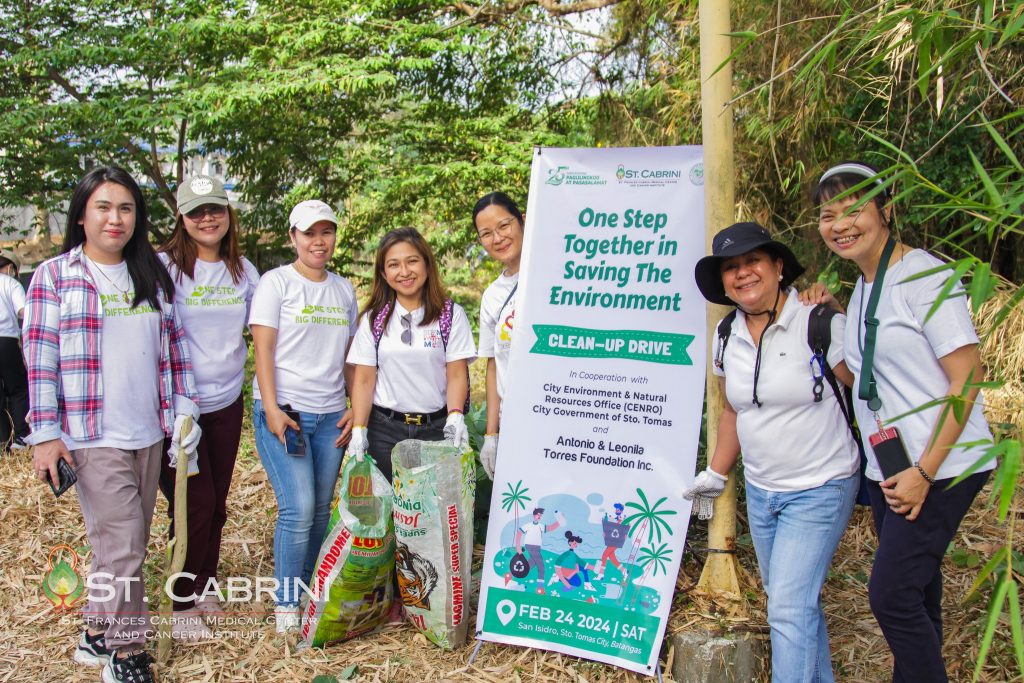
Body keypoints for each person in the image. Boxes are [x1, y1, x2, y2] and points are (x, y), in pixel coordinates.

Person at [813, 161, 996, 682]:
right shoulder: (869, 283)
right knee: (917, 592)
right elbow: (869, 370)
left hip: (940, 462)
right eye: (828, 215)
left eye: (855, 210)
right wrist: (832, 313)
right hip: (890, 462)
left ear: (886, 210)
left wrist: (926, 472)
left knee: (891, 595)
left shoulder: (924, 275)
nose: (841, 224)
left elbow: (968, 379)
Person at [24, 166, 200, 683]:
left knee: (119, 544)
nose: (114, 218)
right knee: (124, 545)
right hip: (90, 434)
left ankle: (96, 632)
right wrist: (45, 434)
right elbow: (41, 362)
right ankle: (125, 654)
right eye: (103, 207)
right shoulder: (54, 277)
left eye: (125, 208)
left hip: (147, 431)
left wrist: (182, 409)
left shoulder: (150, 276)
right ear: (81, 215)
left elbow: (173, 350)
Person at [684, 222, 860, 683]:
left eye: (752, 261)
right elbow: (732, 411)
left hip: (822, 484)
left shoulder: (817, 321)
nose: (742, 274)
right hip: (763, 494)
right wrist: (716, 473)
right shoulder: (725, 334)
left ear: (778, 266)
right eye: (731, 267)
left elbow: (866, 392)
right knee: (795, 604)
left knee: (786, 605)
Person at [157, 174, 260, 639]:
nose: (207, 218)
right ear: (181, 217)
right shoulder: (164, 268)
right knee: (192, 502)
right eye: (197, 211)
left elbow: (266, 331)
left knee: (216, 501)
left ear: (228, 213)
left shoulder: (243, 270)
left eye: (215, 208)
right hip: (177, 408)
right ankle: (180, 599)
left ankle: (205, 583)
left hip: (226, 401)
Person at [248, 199, 357, 633]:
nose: (319, 241)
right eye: (309, 232)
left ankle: (313, 587)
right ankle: (286, 604)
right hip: (287, 412)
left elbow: (350, 355)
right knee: (298, 508)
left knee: (320, 510)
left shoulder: (344, 289)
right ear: (293, 237)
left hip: (332, 414)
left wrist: (353, 406)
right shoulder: (276, 284)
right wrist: (271, 409)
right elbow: (263, 351)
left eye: (326, 232)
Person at [346, 227, 476, 481]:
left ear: (427, 265)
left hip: (436, 430)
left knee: (432, 513)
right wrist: (359, 429)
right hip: (384, 431)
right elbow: (363, 380)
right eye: (393, 265)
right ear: (384, 274)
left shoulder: (450, 315)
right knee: (386, 512)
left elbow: (457, 375)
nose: (404, 272)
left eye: (412, 261)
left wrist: (456, 416)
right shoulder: (374, 320)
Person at [471, 192, 525, 478]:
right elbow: (494, 364)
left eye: (504, 226)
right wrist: (491, 435)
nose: (498, 238)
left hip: (557, 418)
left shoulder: (559, 276)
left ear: (523, 221)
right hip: (513, 427)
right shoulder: (493, 296)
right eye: (487, 233)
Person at [0, 249, 29, 452]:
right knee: (17, 389)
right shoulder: (10, 283)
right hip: (6, 341)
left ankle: (2, 441)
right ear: (10, 268)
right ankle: (20, 438)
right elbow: (23, 311)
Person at [514, 507, 562, 595]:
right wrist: (518, 546)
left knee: (530, 565)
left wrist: (559, 521)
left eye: (541, 515)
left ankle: (514, 575)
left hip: (537, 548)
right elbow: (519, 533)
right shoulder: (528, 525)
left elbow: (550, 528)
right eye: (538, 514)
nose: (539, 516)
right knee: (541, 566)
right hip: (530, 546)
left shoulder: (540, 526)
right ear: (534, 515)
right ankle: (540, 588)